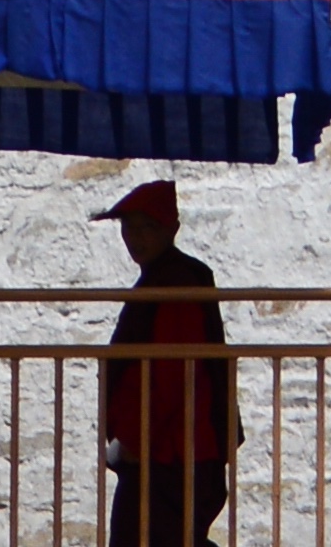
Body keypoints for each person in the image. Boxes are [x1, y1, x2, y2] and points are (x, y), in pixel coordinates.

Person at [96, 178, 234, 547]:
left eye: (148, 228)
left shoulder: (176, 284)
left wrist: (135, 440)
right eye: (129, 228)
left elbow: (174, 375)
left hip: (173, 451)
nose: (136, 238)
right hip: (166, 450)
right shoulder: (165, 278)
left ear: (171, 229)